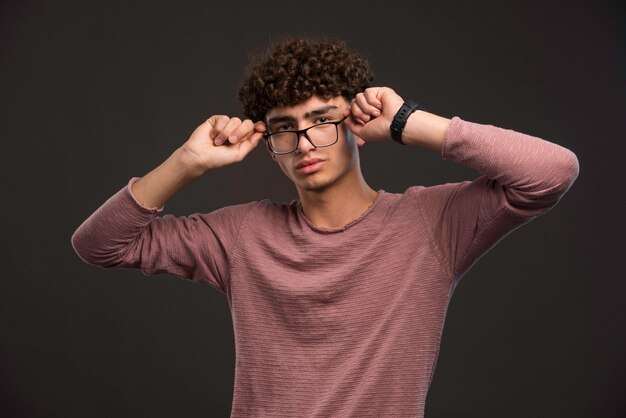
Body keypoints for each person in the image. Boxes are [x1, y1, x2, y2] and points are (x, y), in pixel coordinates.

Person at [71, 37, 579, 417]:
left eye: (322, 119)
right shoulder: (240, 235)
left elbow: (552, 172)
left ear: (355, 123)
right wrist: (187, 161)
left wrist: (408, 122)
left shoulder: (432, 224)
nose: (306, 142)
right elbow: (98, 245)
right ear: (270, 144)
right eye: (285, 128)